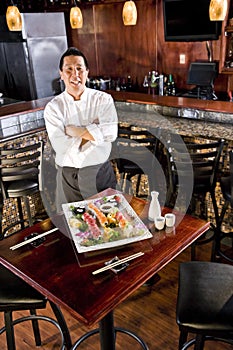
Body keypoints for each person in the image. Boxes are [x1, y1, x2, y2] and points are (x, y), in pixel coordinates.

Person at [44, 47, 118, 212]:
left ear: (87, 72)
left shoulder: (103, 99)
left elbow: (111, 133)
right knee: (75, 228)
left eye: (79, 69)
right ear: (61, 74)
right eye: (68, 69)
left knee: (110, 224)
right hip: (70, 177)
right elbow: (62, 147)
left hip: (100, 173)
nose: (74, 74)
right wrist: (95, 133)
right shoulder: (53, 108)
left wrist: (75, 132)